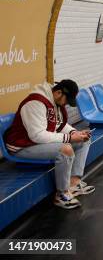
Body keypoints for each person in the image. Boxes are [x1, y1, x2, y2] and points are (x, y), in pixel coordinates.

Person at [3, 80, 95, 209]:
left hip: (35, 143)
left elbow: (57, 124)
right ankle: (61, 195)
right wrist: (69, 138)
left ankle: (73, 184)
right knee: (65, 149)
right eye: (66, 100)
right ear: (58, 93)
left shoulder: (53, 101)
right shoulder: (35, 103)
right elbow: (37, 135)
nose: (66, 104)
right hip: (22, 147)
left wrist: (75, 133)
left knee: (84, 140)